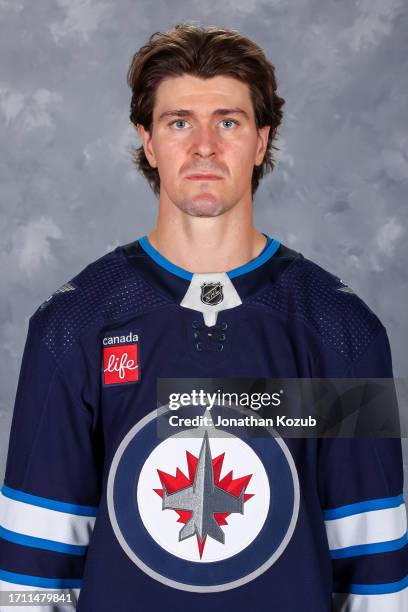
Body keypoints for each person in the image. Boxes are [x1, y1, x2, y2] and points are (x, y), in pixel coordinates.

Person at [0, 23, 407, 612]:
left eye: (229, 121)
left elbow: (374, 568)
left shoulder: (345, 331)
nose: (205, 146)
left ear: (262, 141)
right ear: (147, 139)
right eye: (179, 121)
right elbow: (30, 576)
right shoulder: (69, 325)